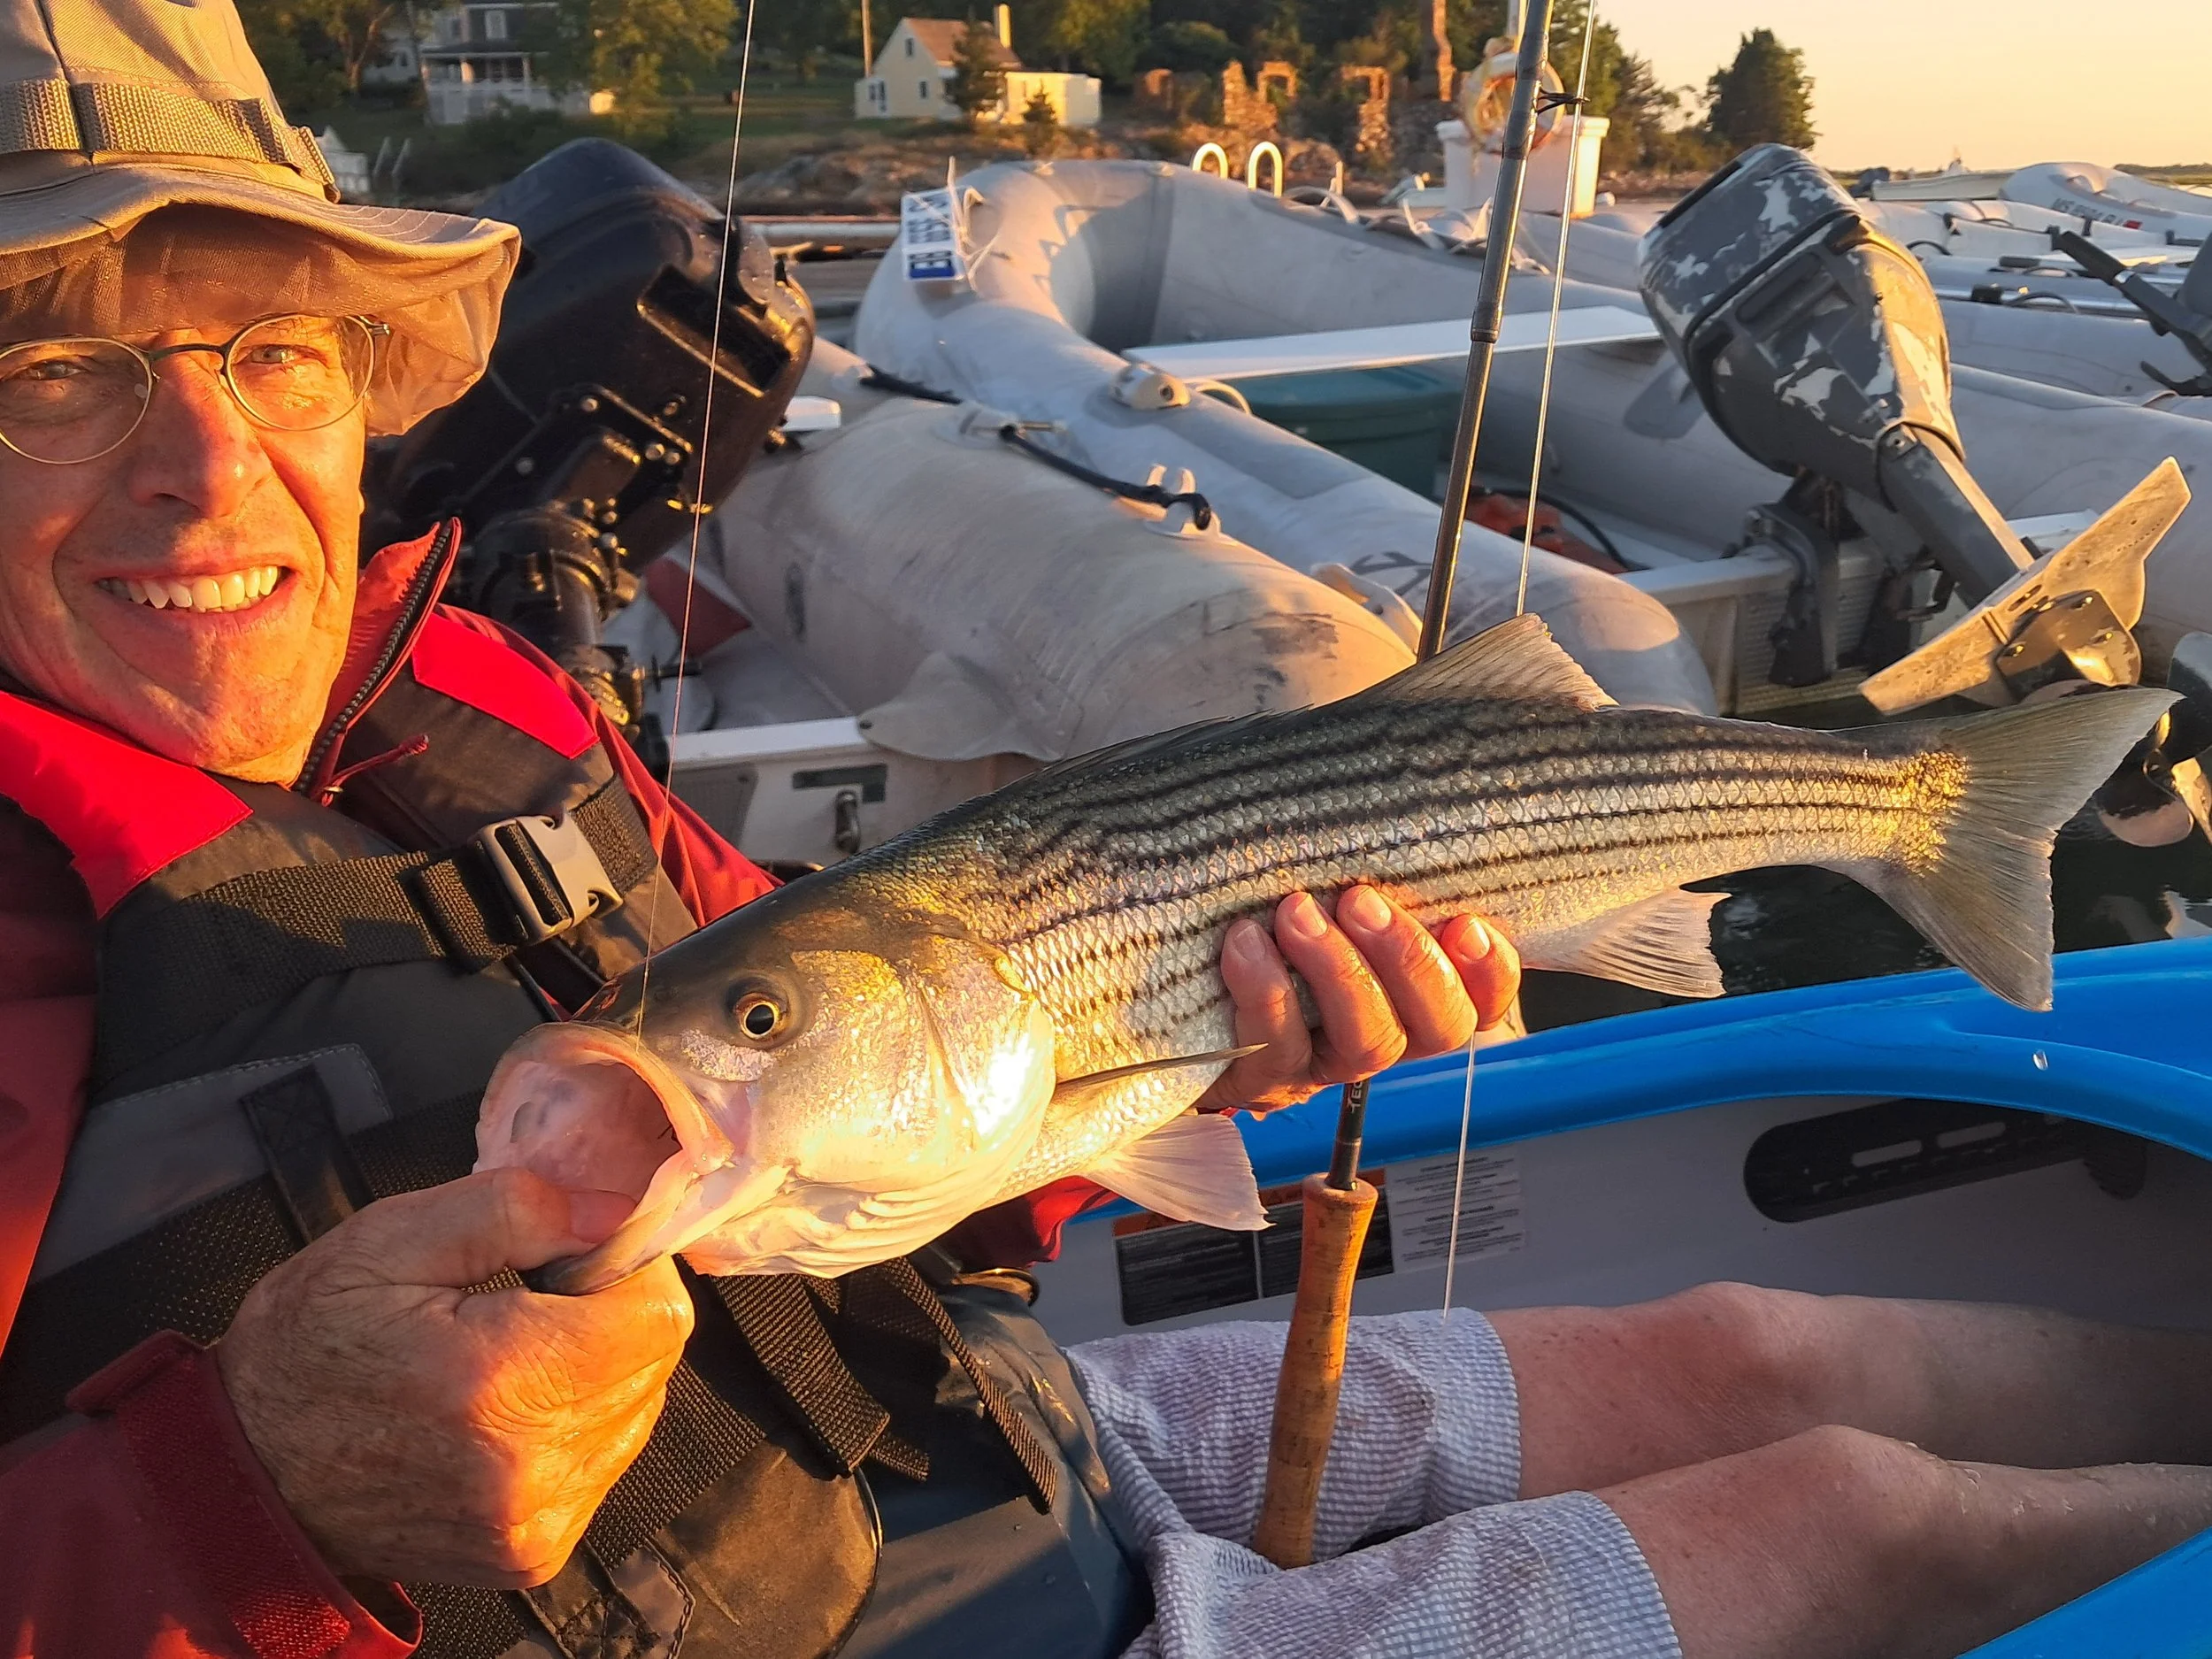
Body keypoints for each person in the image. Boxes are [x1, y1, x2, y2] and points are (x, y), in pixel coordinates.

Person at [4, 6, 2212, 1659]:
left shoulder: (448, 685)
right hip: (961, 1618)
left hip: (983, 1410)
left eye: (276, 350)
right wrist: (239, 1497)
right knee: (1851, 1523)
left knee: (1763, 1352)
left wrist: (1196, 1055)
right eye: (51, 377)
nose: (211, 475)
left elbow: (924, 1087)